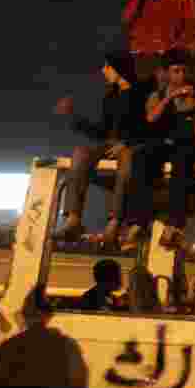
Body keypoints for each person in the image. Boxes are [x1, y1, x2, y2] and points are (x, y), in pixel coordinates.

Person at [121, 49, 195, 252]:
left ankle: (174, 226)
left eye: (183, 71)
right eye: (176, 71)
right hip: (162, 143)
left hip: (185, 145)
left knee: (183, 164)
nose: (180, 76)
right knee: (142, 158)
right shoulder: (157, 95)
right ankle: (138, 222)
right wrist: (169, 98)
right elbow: (151, 118)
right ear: (167, 73)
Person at [52, 51, 149, 246]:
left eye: (107, 66)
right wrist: (74, 117)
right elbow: (102, 131)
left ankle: (114, 223)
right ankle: (73, 219)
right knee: (80, 153)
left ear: (118, 68)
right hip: (108, 143)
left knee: (126, 169)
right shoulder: (110, 95)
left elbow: (148, 126)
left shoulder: (140, 93)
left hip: (130, 145)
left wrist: (125, 143)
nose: (103, 70)